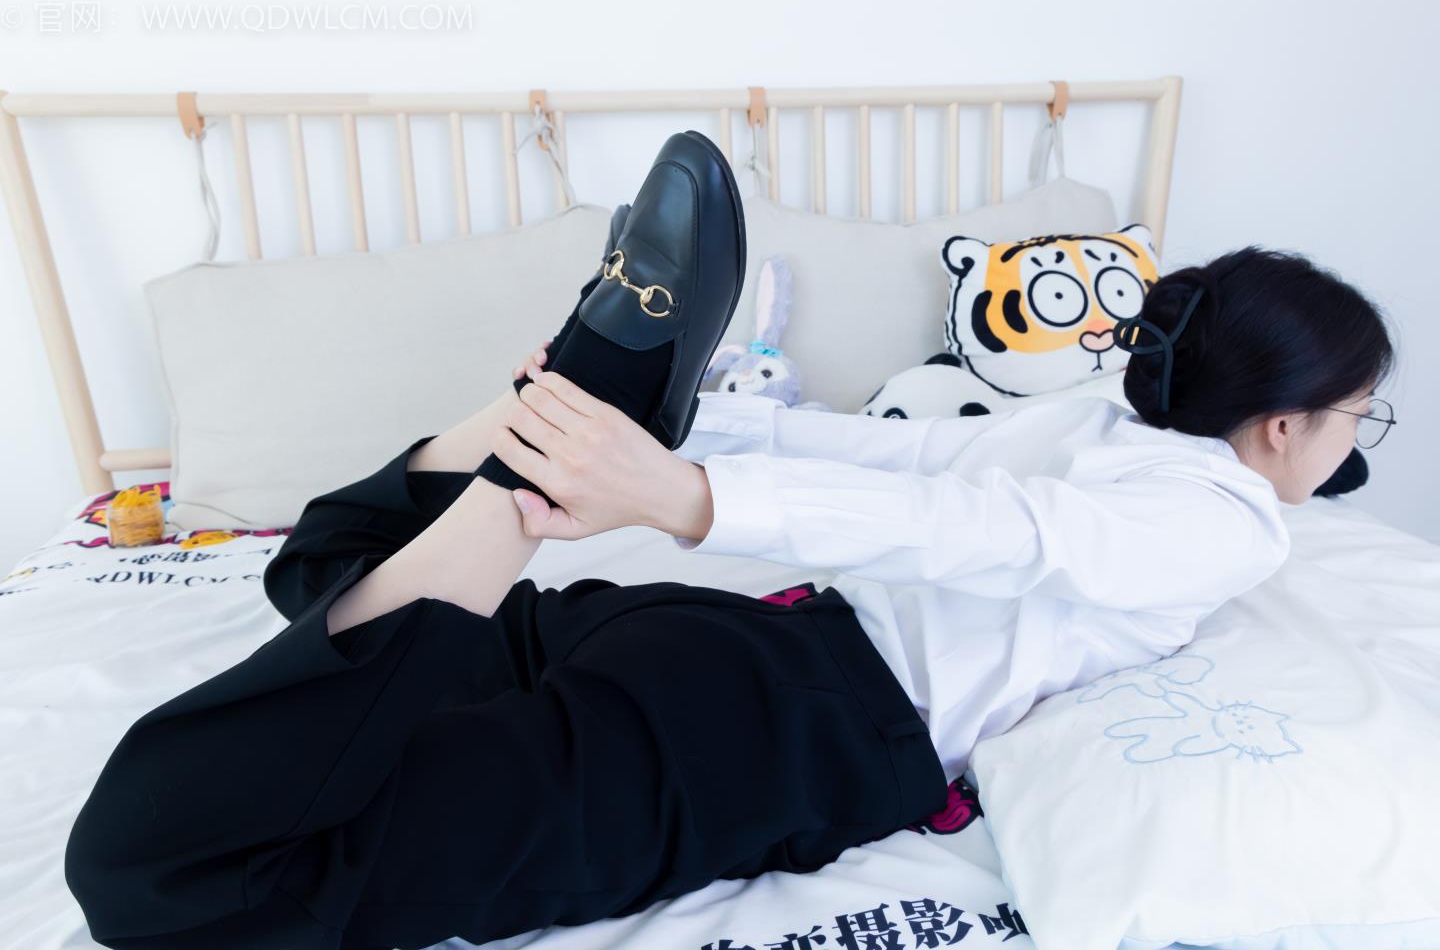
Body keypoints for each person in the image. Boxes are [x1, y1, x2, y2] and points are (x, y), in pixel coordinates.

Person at [64, 156, 1396, 949]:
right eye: (1358, 417)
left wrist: (685, 466)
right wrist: (691, 470)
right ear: (1285, 424)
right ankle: (540, 446)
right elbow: (950, 502)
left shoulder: (1120, 440)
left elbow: (939, 493)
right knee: (156, 871)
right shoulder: (1220, 512)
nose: (1353, 444)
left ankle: (534, 427)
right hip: (786, 722)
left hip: (738, 651)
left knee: (323, 577)